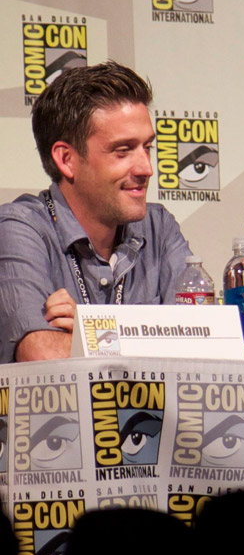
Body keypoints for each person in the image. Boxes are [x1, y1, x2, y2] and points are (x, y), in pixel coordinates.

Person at [0, 61, 192, 363]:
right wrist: (151, 337)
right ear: (66, 159)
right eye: (123, 150)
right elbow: (40, 353)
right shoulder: (20, 228)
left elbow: (205, 348)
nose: (146, 168)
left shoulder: (160, 227)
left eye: (147, 147)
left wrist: (95, 330)